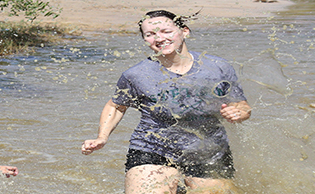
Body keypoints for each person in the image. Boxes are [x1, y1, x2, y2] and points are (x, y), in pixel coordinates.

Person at [81, 10, 251, 194]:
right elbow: (116, 105)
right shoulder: (136, 75)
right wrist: (102, 137)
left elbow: (241, 105)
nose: (159, 38)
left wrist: (239, 112)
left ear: (184, 31)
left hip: (208, 150)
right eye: (150, 34)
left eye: (166, 31)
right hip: (153, 147)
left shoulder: (218, 67)